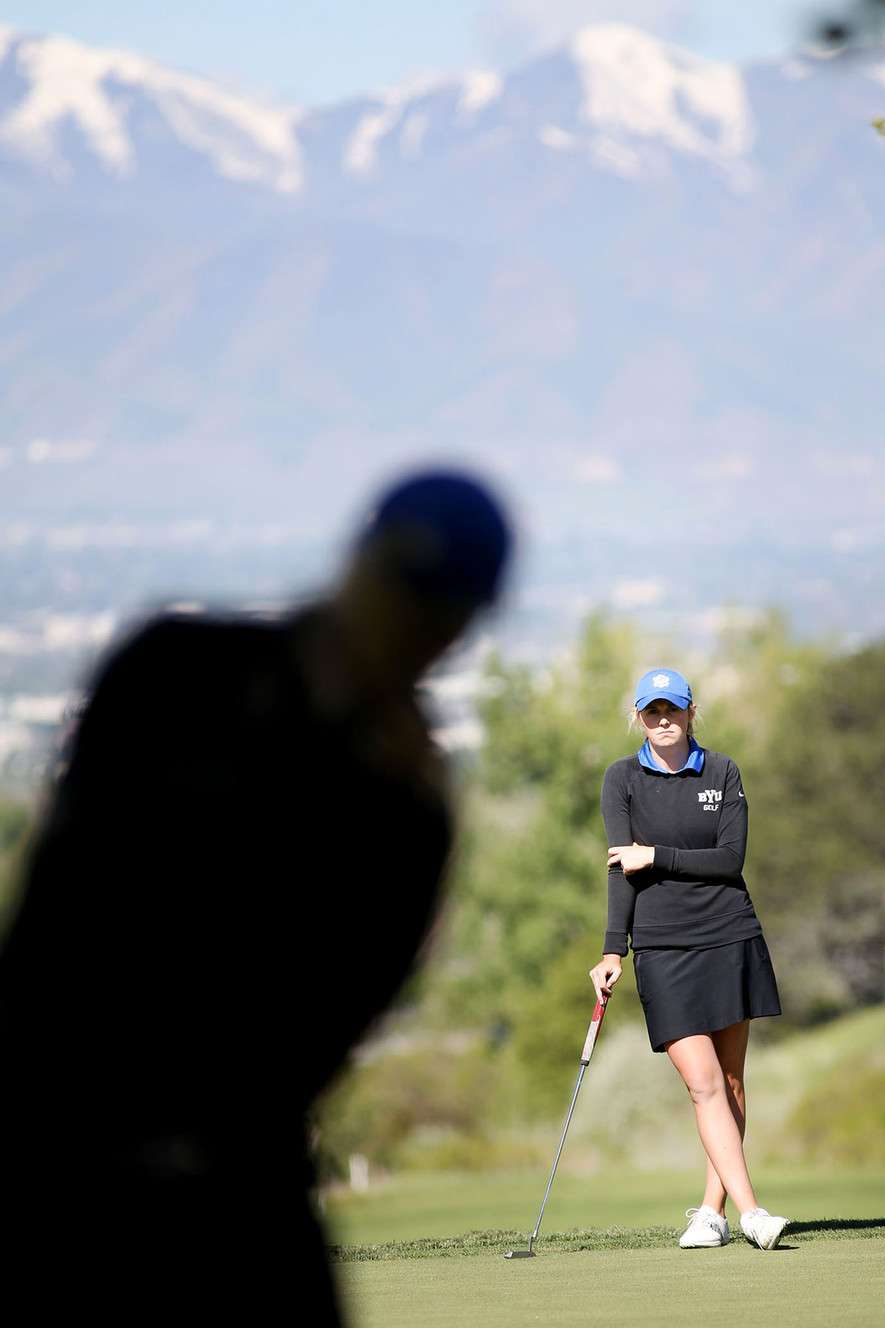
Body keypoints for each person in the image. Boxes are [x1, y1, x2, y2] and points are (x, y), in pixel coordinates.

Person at [0, 468, 512, 1317]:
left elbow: (316, 1034)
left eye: (442, 604)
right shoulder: (175, 669)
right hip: (53, 1159)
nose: (412, 622)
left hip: (235, 1196)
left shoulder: (408, 805)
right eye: (406, 584)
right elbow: (63, 918)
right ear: (358, 557)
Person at [589, 668, 789, 1252]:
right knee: (702, 1083)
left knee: (729, 1081)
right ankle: (753, 1215)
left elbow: (729, 860)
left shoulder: (722, 771)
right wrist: (611, 950)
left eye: (671, 710)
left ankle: (712, 1211)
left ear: (690, 712)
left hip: (729, 933)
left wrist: (654, 854)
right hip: (662, 946)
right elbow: (620, 872)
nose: (662, 721)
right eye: (651, 712)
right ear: (638, 717)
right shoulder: (621, 778)